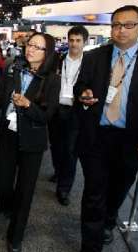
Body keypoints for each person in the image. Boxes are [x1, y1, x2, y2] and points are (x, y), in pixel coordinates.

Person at [74, 5, 138, 252]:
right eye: (116, 25)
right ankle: (91, 245)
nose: (121, 30)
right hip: (97, 137)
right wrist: (83, 95)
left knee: (118, 190)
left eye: (128, 25)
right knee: (93, 193)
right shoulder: (94, 56)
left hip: (132, 141)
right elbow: (80, 86)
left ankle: (109, 220)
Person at [0, 32, 60, 252]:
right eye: (29, 44)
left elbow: (47, 116)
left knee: (25, 190)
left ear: (47, 52)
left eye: (37, 47)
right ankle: (8, 208)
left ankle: (15, 237)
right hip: (7, 136)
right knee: (2, 183)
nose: (30, 49)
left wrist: (27, 105)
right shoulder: (14, 69)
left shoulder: (51, 79)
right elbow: (0, 100)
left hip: (32, 142)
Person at [47, 25, 88, 206]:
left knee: (71, 151)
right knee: (56, 146)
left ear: (85, 42)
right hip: (56, 109)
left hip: (75, 111)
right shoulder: (58, 60)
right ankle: (58, 171)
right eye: (71, 40)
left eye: (78, 40)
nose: (74, 44)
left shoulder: (90, 64)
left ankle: (64, 189)